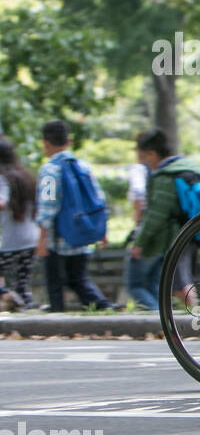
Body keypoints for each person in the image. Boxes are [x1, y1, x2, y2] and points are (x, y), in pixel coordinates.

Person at [34, 120, 117, 312]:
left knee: (55, 285)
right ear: (69, 141)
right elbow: (99, 200)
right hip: (82, 234)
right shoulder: (83, 167)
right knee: (78, 279)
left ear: (45, 143)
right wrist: (101, 230)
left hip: (58, 239)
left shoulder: (49, 170)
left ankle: (58, 319)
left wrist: (42, 238)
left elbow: (48, 206)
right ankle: (105, 308)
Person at [130, 129, 200, 307]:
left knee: (179, 286)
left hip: (175, 237)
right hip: (192, 231)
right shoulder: (185, 168)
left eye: (144, 158)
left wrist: (140, 242)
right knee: (181, 282)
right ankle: (196, 318)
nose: (144, 163)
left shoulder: (165, 176)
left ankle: (198, 321)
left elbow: (156, 215)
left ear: (152, 154)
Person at [0, 135, 39, 311]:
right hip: (31, 239)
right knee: (22, 284)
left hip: (10, 241)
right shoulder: (25, 176)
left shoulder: (2, 177)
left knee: (12, 283)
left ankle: (7, 296)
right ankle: (25, 309)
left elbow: (1, 202)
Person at [122, 155, 160, 309]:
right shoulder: (163, 171)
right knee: (153, 285)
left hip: (146, 234)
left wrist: (138, 225)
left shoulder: (139, 170)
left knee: (135, 285)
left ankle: (156, 318)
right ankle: (162, 319)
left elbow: (138, 196)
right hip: (165, 236)